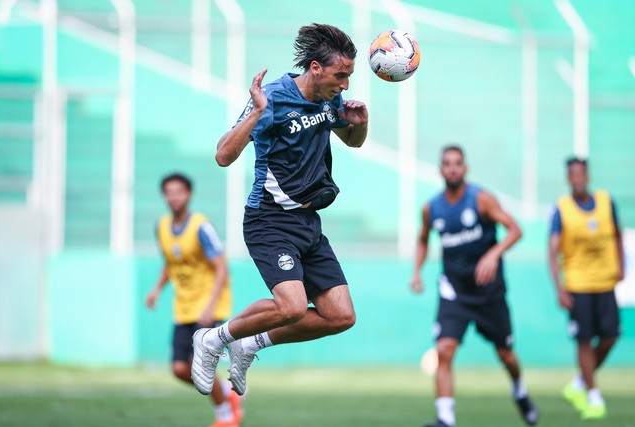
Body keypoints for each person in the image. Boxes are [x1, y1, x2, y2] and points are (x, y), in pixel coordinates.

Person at [190, 23, 368, 398]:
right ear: (316, 68)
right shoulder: (272, 100)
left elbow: (352, 141)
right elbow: (223, 156)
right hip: (270, 219)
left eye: (349, 76)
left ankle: (250, 344)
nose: (346, 85)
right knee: (290, 306)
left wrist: (360, 125)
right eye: (341, 75)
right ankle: (213, 339)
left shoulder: (329, 99)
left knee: (341, 316)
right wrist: (256, 113)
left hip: (308, 222)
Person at [409, 145, 539, 427]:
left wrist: (493, 254)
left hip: (488, 292)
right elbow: (422, 240)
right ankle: (445, 419)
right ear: (440, 170)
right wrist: (417, 271)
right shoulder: (431, 208)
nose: (453, 168)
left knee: (506, 354)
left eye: (458, 163)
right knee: (444, 350)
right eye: (447, 163)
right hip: (454, 291)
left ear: (465, 168)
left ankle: (519, 389)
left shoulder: (481, 200)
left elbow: (515, 229)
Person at [146, 173, 243, 427]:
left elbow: (221, 267)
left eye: (179, 191)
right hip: (184, 309)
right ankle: (226, 391)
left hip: (209, 307)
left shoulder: (201, 226)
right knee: (180, 369)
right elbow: (170, 262)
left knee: (196, 365)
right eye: (169, 192)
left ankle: (226, 415)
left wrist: (211, 306)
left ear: (188, 195)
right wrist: (156, 289)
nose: (174, 196)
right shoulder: (162, 227)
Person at [548, 157, 624, 420]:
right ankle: (593, 395)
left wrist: (622, 264)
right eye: (573, 175)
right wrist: (559, 289)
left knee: (610, 337)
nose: (578, 178)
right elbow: (552, 252)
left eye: (581, 173)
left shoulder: (605, 201)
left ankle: (580, 383)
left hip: (605, 283)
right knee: (583, 340)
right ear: (568, 178)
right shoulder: (561, 209)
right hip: (578, 286)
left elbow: (617, 234)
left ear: (587, 175)